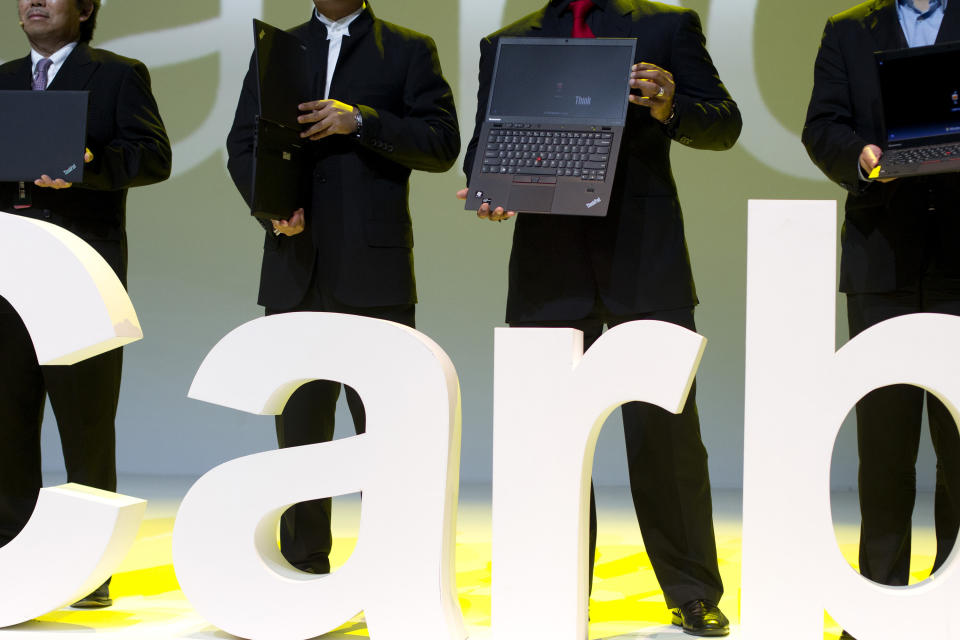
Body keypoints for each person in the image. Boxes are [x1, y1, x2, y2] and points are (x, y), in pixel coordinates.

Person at [458, 0, 740, 635]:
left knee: (665, 437)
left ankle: (691, 590)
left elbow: (723, 124)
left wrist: (670, 106)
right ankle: (553, 588)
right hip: (547, 265)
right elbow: (484, 146)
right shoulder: (509, 41)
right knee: (547, 439)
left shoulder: (668, 26)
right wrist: (491, 189)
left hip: (645, 255)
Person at [226, 0, 459, 576]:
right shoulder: (276, 48)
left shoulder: (408, 47)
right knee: (300, 434)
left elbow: (442, 143)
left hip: (373, 268)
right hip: (293, 262)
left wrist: (363, 122)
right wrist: (271, 209)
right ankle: (305, 569)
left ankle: (393, 572)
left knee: (386, 429)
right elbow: (242, 145)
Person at [0, 0, 171, 609]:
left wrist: (89, 163)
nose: (33, 2)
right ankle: (12, 556)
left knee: (86, 424)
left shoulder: (118, 74)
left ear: (86, 7)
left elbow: (154, 157)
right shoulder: (3, 79)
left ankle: (89, 569)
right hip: (9, 273)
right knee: (7, 421)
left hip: (81, 272)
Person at [803, 1, 960, 637]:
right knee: (884, 445)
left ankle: (954, 598)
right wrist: (863, 157)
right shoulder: (847, 29)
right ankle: (877, 604)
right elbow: (823, 126)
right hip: (881, 256)